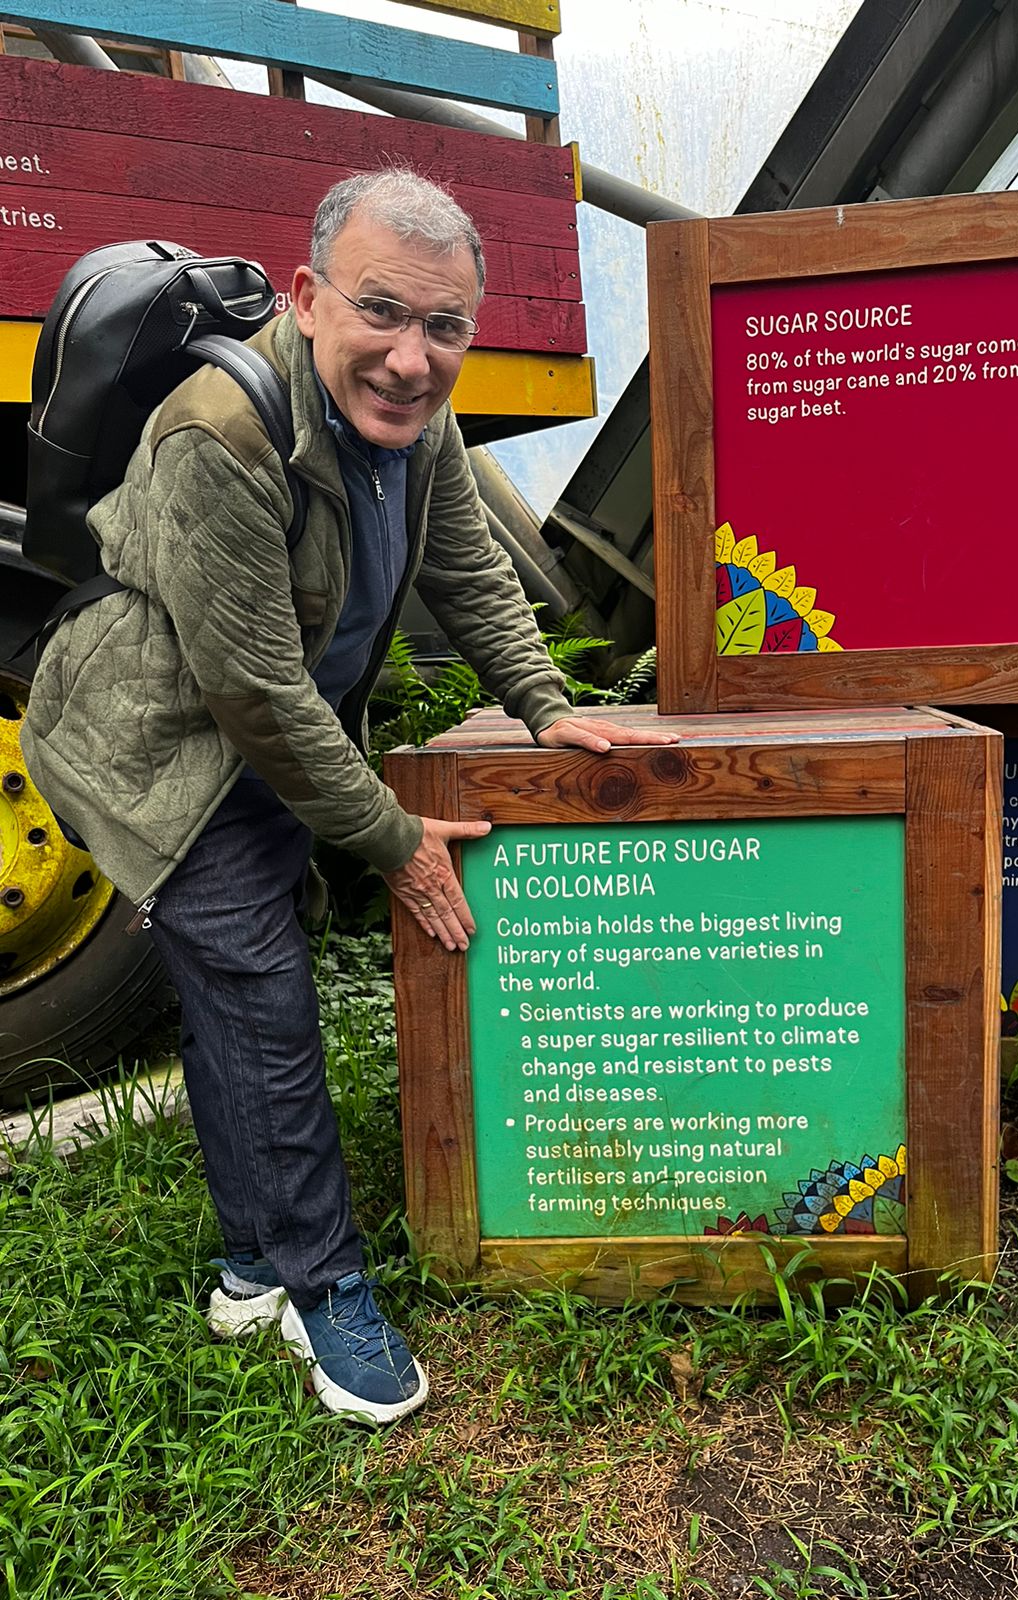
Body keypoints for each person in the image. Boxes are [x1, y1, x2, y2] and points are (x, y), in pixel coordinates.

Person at [20, 168, 675, 1426]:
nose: (411, 357)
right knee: (265, 999)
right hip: (164, 750)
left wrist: (548, 703)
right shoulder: (223, 436)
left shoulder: (415, 421)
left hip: (264, 739)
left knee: (230, 993)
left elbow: (470, 567)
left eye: (444, 328)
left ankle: (251, 1261)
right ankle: (325, 1285)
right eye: (381, 313)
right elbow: (259, 691)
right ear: (313, 298)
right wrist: (394, 844)